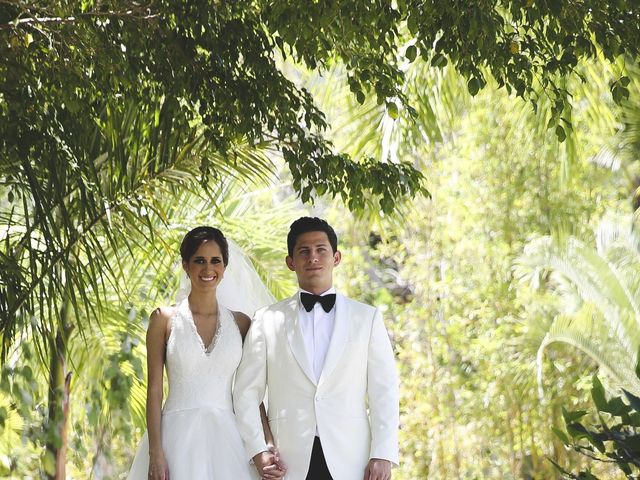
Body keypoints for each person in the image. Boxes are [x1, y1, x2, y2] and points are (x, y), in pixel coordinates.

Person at [233, 217, 400, 480]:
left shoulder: (366, 318)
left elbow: (385, 391)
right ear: (290, 262)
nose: (313, 257)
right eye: (304, 251)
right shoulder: (266, 319)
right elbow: (245, 392)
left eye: (321, 249)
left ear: (336, 257)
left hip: (352, 458)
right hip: (286, 460)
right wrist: (258, 450)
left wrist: (383, 453)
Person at [127, 226, 286, 480]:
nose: (208, 268)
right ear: (185, 265)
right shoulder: (164, 320)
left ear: (224, 267)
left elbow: (251, 392)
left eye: (216, 261)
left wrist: (266, 443)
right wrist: (155, 453)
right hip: (175, 439)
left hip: (228, 440)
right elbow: (154, 391)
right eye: (199, 260)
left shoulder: (242, 324)